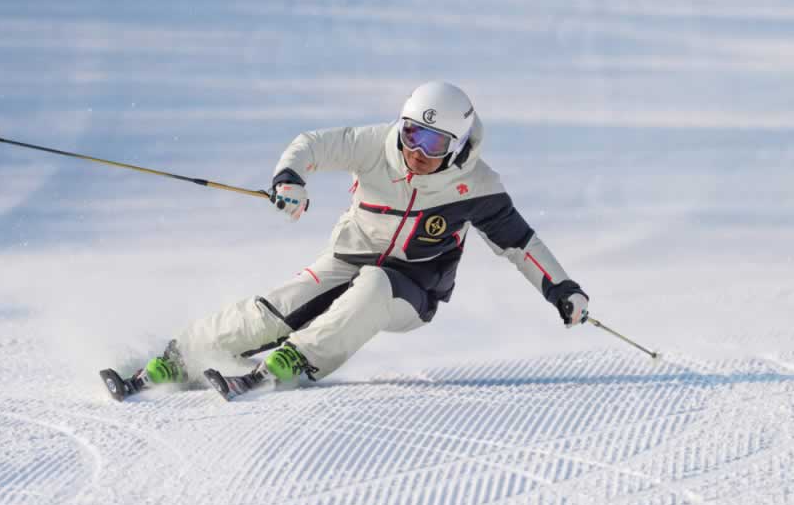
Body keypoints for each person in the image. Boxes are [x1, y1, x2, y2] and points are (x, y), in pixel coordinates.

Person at [141, 81, 589, 395]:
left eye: (433, 144)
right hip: (349, 257)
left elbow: (522, 245)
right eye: (412, 133)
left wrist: (562, 289)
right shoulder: (376, 144)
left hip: (412, 288)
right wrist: (290, 179)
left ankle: (299, 359)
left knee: (375, 287)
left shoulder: (479, 185)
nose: (416, 151)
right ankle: (184, 354)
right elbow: (312, 145)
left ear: (457, 145)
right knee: (280, 307)